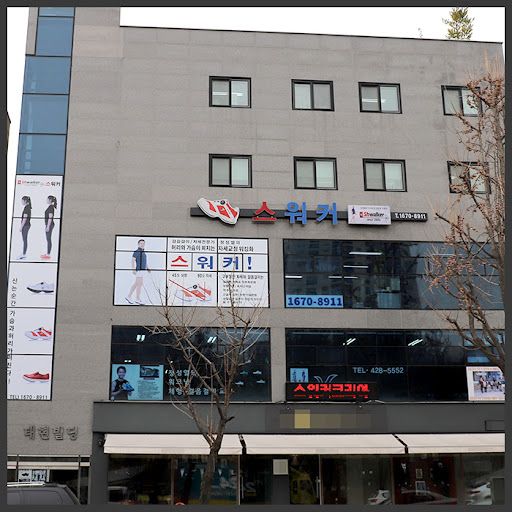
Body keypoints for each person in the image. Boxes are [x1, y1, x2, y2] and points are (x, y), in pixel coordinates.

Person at [126, 239, 151, 305]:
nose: (142, 244)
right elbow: (132, 260)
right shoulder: (136, 251)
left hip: (143, 270)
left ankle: (129, 296)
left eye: (143, 243)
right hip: (139, 270)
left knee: (137, 284)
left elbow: (145, 261)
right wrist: (133, 269)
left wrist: (147, 268)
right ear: (138, 244)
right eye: (141, 243)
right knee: (139, 284)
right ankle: (137, 299)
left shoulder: (143, 252)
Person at [41, 195, 57, 260]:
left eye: (47, 199)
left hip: (49, 225)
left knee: (49, 239)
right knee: (48, 239)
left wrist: (48, 226)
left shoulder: (51, 208)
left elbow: (50, 217)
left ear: (50, 200)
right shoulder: (50, 207)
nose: (46, 200)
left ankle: (48, 255)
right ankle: (47, 253)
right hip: (49, 224)